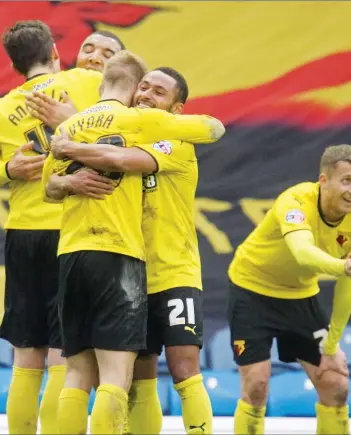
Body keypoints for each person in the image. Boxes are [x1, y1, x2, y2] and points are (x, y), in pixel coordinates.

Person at [42, 50, 225, 434]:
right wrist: (69, 169)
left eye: (158, 92)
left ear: (176, 108)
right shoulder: (127, 127)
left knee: (184, 370)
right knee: (138, 380)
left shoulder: (174, 142)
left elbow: (125, 160)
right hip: (129, 271)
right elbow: (52, 185)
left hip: (173, 271)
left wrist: (70, 142)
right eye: (143, 86)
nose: (145, 95)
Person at [0, 20, 105, 435]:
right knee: (63, 357)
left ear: (14, 64)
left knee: (26, 357)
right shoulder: (87, 83)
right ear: (55, 49)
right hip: (72, 233)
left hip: (23, 236)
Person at [227, 144, 351, 435]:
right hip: (251, 289)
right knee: (257, 386)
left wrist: (333, 344)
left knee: (337, 384)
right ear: (324, 180)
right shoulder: (295, 200)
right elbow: (302, 252)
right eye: (346, 180)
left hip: (299, 296)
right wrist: (340, 267)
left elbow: (350, 284)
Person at [0, 30, 125, 189]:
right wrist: (7, 170)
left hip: (94, 207)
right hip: (36, 211)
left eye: (108, 55)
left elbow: (130, 156)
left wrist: (72, 124)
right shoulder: (43, 95)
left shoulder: (127, 106)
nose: (94, 58)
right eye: (87, 50)